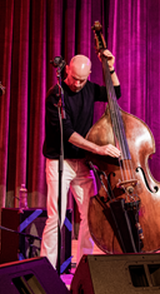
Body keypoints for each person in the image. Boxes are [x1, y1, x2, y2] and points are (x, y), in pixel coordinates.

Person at [40, 52, 121, 270]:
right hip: (60, 162)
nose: (77, 83)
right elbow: (67, 132)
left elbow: (116, 94)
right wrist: (98, 149)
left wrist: (111, 68)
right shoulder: (56, 94)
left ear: (89, 75)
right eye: (74, 78)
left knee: (90, 216)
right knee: (55, 217)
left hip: (83, 163)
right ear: (67, 70)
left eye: (82, 79)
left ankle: (85, 265)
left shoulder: (90, 88)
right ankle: (46, 269)